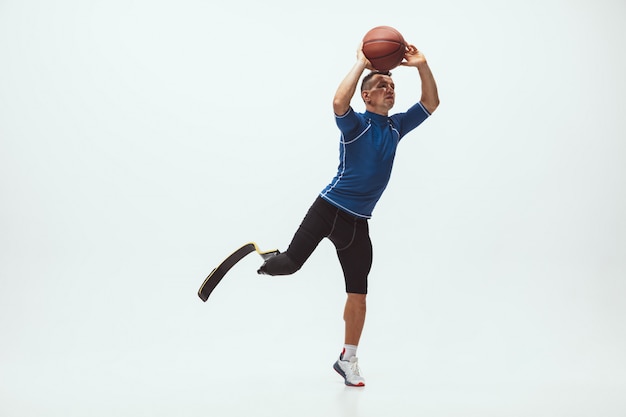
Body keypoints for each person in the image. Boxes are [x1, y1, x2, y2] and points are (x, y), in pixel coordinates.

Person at [257, 40, 439, 386]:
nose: (389, 89)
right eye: (381, 86)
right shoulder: (356, 125)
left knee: (359, 294)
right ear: (366, 96)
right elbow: (339, 102)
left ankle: (348, 359)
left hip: (358, 225)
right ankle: (265, 255)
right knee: (287, 266)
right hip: (329, 209)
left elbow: (431, 102)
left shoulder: (397, 127)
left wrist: (422, 65)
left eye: (392, 86)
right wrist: (361, 64)